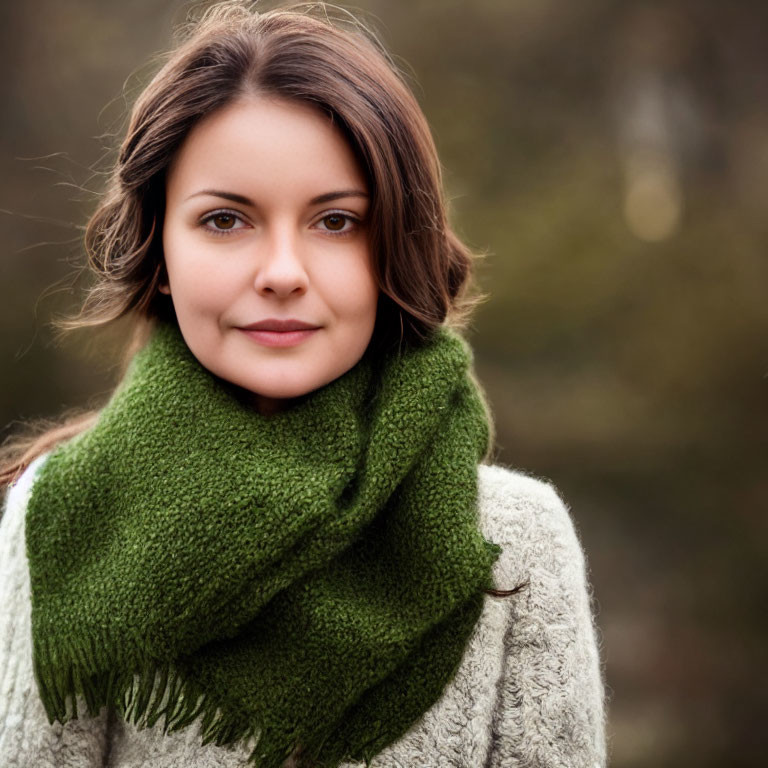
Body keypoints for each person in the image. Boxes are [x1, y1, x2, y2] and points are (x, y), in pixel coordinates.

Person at [0, 2, 607, 766]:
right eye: (225, 220)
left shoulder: (518, 540)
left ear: (398, 244)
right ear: (158, 246)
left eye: (336, 222)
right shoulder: (66, 519)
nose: (282, 273)